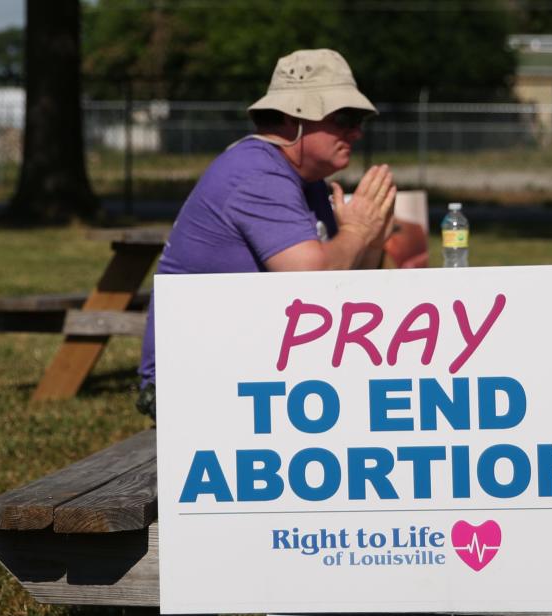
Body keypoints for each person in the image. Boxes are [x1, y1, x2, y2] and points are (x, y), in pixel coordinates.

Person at [136, 49, 395, 420]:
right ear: (295, 117)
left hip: (242, 367)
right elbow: (313, 280)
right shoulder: (258, 175)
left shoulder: (305, 182)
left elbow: (345, 288)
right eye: (345, 118)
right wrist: (355, 230)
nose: (356, 131)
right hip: (191, 383)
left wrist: (370, 238)